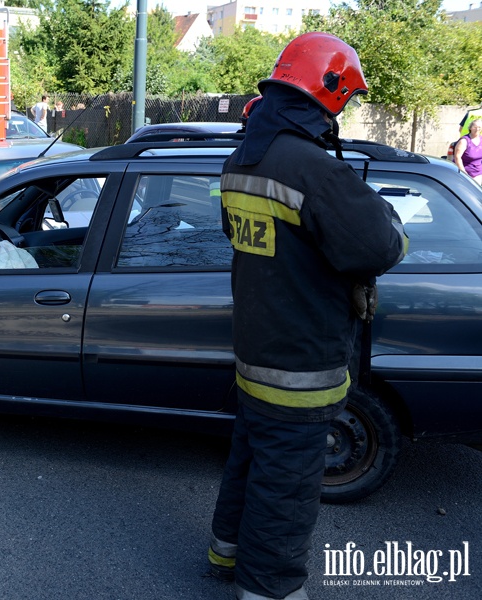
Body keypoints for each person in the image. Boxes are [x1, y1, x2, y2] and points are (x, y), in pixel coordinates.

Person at [208, 32, 408, 600]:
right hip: (301, 364)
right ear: (332, 91)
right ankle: (267, 588)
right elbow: (379, 246)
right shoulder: (313, 169)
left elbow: (243, 237)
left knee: (248, 459)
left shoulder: (243, 157)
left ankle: (225, 555)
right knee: (287, 486)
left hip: (255, 354)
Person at [454, 119, 482, 183]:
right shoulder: (464, 141)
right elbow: (457, 157)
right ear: (470, 128)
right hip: (465, 175)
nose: (477, 129)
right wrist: (464, 173)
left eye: (479, 127)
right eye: (475, 127)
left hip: (479, 174)